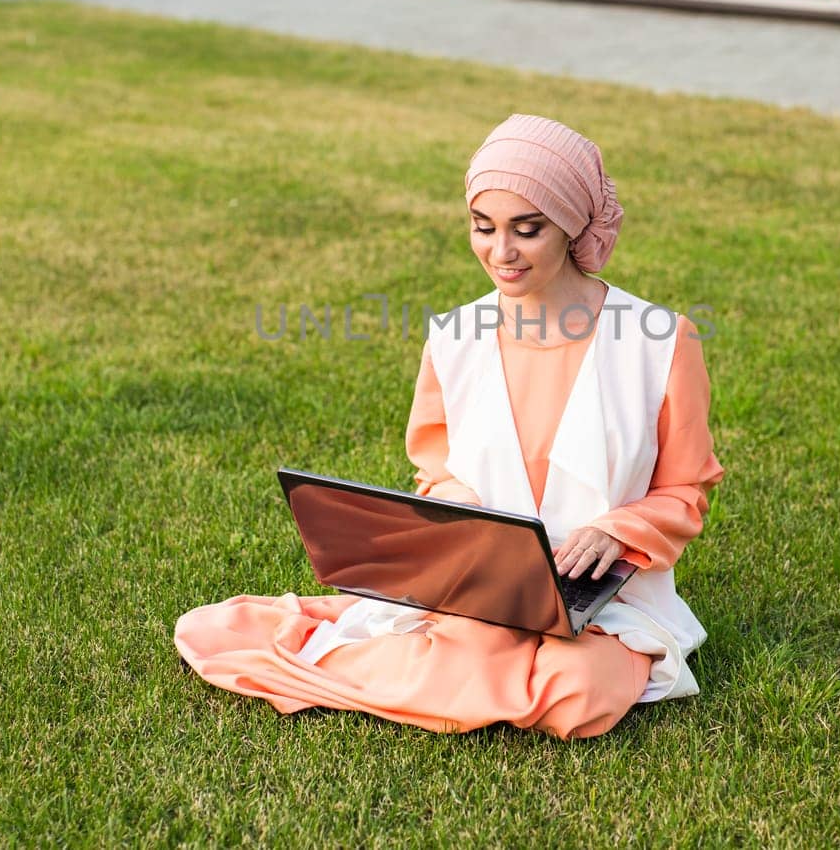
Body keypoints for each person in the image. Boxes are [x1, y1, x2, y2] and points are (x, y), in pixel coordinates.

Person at [174, 113, 725, 739]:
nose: (501, 252)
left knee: (580, 698)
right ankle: (474, 672)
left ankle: (446, 681)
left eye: (528, 230)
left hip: (605, 599)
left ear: (572, 226)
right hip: (483, 587)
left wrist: (615, 530)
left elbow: (687, 490)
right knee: (514, 670)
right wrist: (459, 512)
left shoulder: (659, 341)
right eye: (483, 228)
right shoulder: (455, 337)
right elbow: (437, 473)